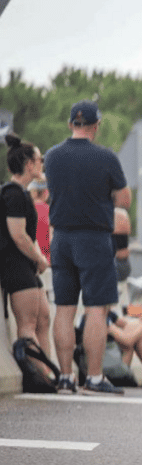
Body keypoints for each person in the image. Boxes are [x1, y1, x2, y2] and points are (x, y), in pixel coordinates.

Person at [44, 100, 131, 395]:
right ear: (96, 126)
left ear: (71, 124)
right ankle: (94, 377)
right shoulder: (106, 158)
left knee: (64, 308)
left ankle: (66, 376)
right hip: (93, 239)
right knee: (96, 308)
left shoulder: (52, 156)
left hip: (62, 240)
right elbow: (125, 200)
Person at [3, 134, 54, 377]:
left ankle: (51, 371)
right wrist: (39, 258)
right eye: (40, 159)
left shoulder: (22, 193)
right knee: (28, 325)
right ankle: (39, 375)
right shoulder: (13, 194)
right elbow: (18, 235)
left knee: (43, 318)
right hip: (16, 266)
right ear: (29, 164)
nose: (42, 163)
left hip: (27, 266)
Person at [74, 304, 142, 388]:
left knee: (134, 328)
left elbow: (125, 320)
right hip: (106, 370)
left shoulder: (106, 313)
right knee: (133, 334)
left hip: (108, 365)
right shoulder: (98, 318)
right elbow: (127, 340)